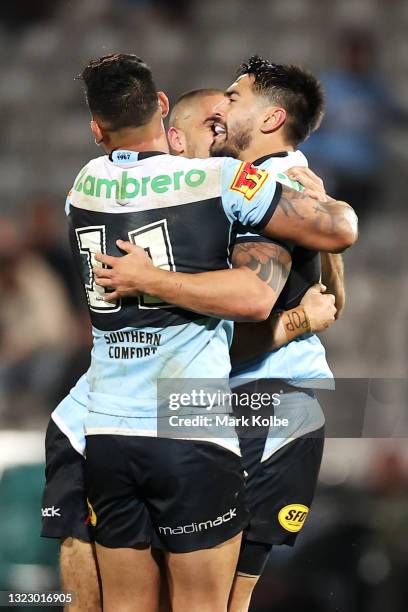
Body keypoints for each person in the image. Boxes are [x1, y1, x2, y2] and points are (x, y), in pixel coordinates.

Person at [44, 52, 356, 612]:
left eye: (229, 103)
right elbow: (329, 255)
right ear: (169, 129)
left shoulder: (89, 184)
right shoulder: (220, 185)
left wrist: (298, 317)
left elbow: (267, 298)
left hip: (266, 400)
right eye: (211, 117)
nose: (220, 114)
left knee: (217, 600)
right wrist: (303, 312)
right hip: (180, 409)